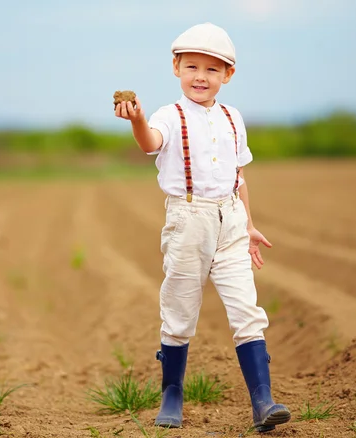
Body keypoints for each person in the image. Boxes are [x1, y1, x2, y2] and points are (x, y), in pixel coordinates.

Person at [114, 22, 290, 433]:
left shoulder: (233, 118)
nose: (200, 77)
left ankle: (263, 401)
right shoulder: (167, 116)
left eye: (212, 70)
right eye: (192, 67)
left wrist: (248, 225)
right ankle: (172, 393)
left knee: (247, 310)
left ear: (227, 75)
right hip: (188, 221)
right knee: (179, 312)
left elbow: (238, 176)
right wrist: (136, 118)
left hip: (230, 222)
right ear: (176, 68)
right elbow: (149, 143)